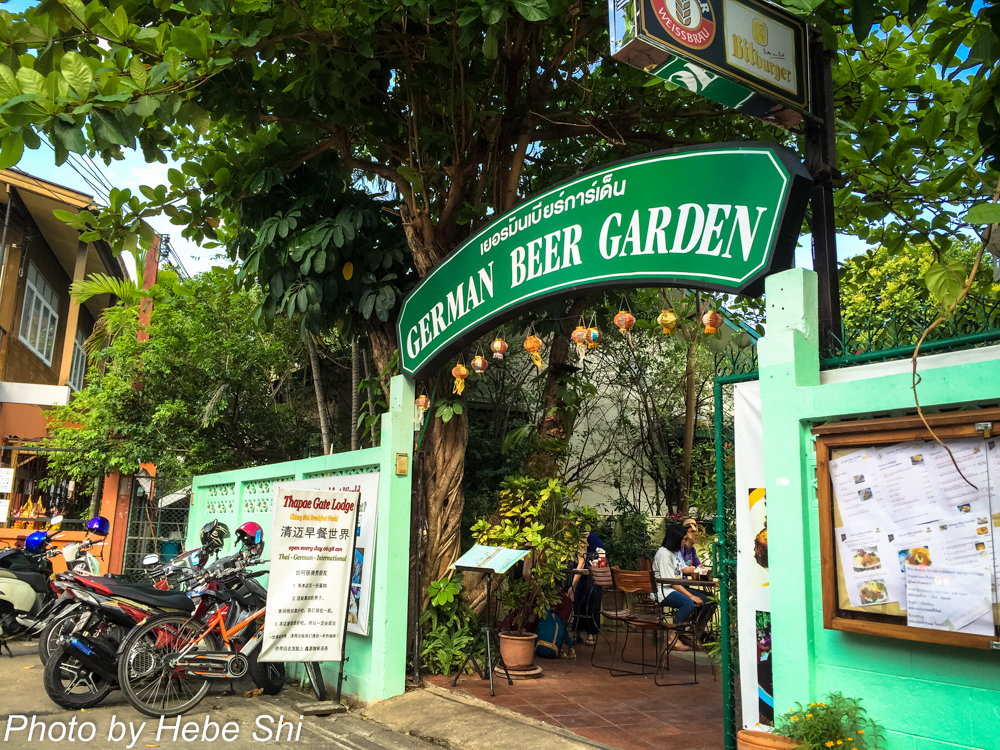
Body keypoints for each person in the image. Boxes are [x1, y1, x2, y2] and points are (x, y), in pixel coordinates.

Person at [653, 525, 711, 651]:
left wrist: (698, 569)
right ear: (676, 538)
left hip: (675, 587)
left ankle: (693, 632)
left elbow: (683, 568)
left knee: (709, 600)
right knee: (688, 603)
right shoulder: (664, 554)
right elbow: (672, 582)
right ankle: (672, 637)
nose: (686, 541)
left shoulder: (677, 551)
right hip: (664, 590)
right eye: (684, 539)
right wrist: (690, 595)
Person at [570, 530, 603, 646]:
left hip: (595, 563)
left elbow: (581, 562)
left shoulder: (581, 533)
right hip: (585, 563)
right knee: (579, 595)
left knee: (591, 595)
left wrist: (572, 586)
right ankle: (577, 631)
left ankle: (591, 633)